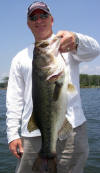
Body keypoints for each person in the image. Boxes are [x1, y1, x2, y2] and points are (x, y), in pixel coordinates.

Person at [6, 1, 100, 173]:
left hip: (73, 130)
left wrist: (76, 39)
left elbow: (95, 50)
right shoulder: (19, 58)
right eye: (33, 17)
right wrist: (12, 133)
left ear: (52, 19)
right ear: (28, 24)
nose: (39, 20)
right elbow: (14, 99)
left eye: (43, 15)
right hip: (33, 134)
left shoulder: (69, 46)